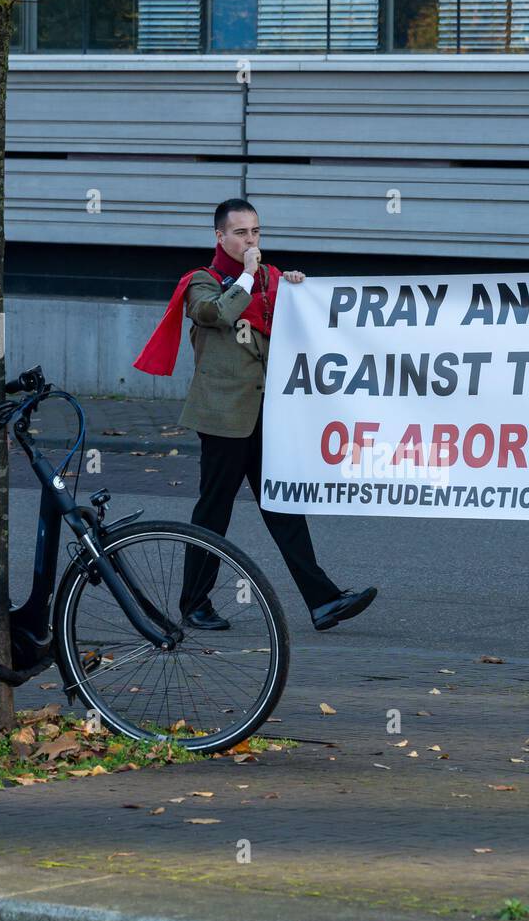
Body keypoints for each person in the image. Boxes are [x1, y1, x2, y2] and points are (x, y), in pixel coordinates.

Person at [135, 198, 377, 632]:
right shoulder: (202, 282)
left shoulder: (272, 280)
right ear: (220, 237)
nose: (251, 241)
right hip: (224, 417)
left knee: (282, 506)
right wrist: (247, 274)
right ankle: (194, 605)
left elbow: (303, 322)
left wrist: (300, 288)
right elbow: (217, 313)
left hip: (268, 412)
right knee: (213, 511)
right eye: (241, 233)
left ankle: (323, 601)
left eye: (256, 232)